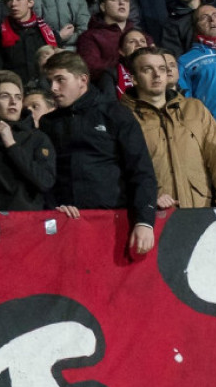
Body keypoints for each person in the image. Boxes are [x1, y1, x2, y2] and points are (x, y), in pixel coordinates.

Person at [39, 50, 158, 257]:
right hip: (67, 226)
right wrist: (54, 206)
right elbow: (45, 175)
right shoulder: (48, 123)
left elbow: (141, 169)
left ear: (82, 79)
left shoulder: (116, 114)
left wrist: (145, 221)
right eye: (50, 81)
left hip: (115, 223)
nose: (53, 88)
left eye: (60, 80)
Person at [120, 47, 216, 209]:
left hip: (199, 213)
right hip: (152, 217)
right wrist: (147, 196)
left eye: (162, 68)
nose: (157, 75)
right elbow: (115, 170)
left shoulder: (195, 109)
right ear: (134, 79)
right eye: (148, 69)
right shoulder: (122, 117)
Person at [0, 70, 55, 210]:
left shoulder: (38, 138)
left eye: (18, 97)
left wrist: (11, 145)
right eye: (5, 96)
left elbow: (44, 181)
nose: (13, 101)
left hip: (28, 221)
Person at [178, 4, 216, 126]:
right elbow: (186, 102)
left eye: (215, 15)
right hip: (213, 127)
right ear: (196, 27)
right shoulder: (185, 61)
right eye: (204, 17)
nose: (212, 20)